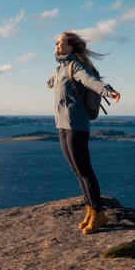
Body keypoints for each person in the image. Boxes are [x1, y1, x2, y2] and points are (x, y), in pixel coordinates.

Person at [47, 31, 121, 234]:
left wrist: (109, 91)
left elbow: (90, 81)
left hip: (76, 126)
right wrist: (50, 81)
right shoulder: (59, 68)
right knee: (76, 170)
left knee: (85, 171)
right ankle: (90, 209)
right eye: (56, 42)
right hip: (61, 125)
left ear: (70, 48)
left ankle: (98, 213)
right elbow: (56, 78)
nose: (56, 44)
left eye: (60, 42)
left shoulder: (75, 67)